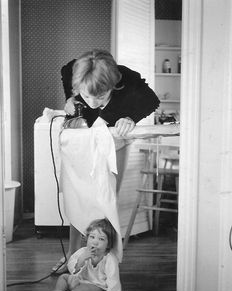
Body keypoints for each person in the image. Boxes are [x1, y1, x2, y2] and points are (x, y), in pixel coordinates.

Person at [52, 49, 160, 273]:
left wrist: (130, 117)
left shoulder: (128, 80)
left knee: (105, 201)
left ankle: (100, 263)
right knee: (77, 197)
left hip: (114, 140)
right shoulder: (72, 69)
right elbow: (72, 87)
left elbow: (152, 101)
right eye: (86, 95)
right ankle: (72, 256)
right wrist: (70, 99)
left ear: (114, 85)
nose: (92, 103)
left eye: (100, 97)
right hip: (83, 138)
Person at [41, 218, 121, 291]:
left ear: (108, 244)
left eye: (101, 239)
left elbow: (113, 280)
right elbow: (72, 268)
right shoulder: (82, 251)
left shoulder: (109, 259)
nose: (95, 242)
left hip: (98, 288)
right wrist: (81, 260)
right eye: (92, 237)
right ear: (87, 238)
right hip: (81, 280)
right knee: (64, 277)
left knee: (82, 290)